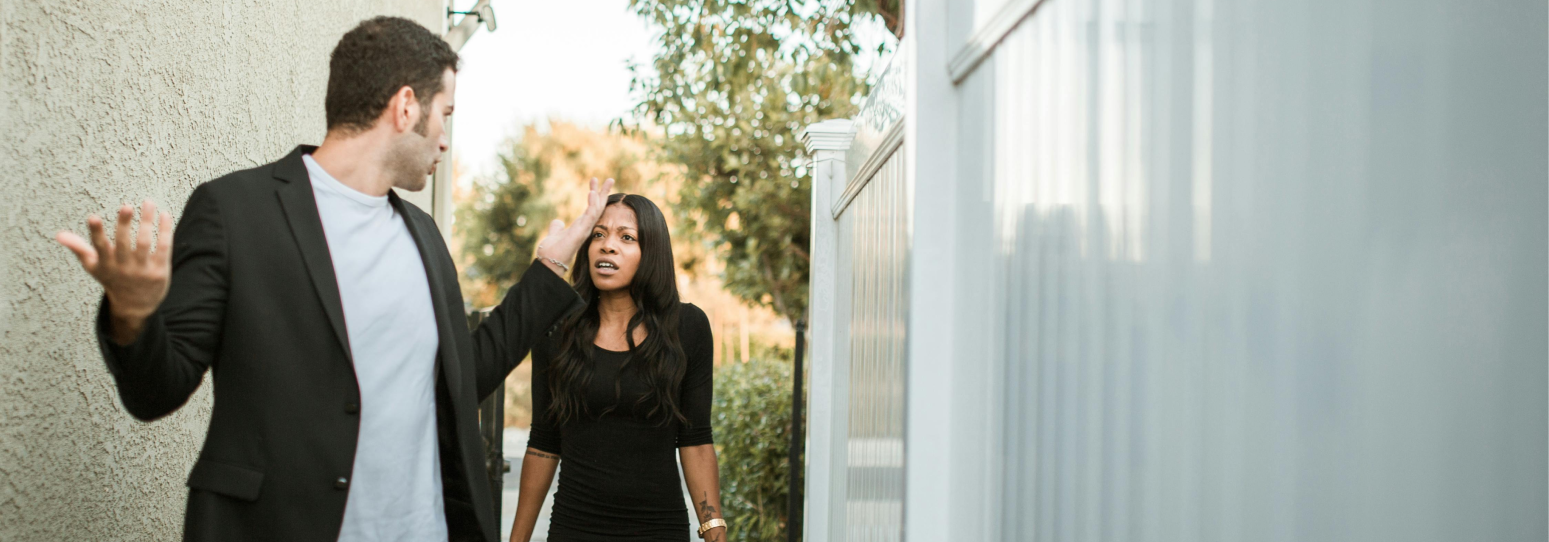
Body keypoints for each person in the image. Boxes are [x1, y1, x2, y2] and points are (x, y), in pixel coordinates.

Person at [53, 16, 614, 542]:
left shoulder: (424, 234)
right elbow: (156, 392)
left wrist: (549, 269)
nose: (445, 139)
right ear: (405, 106)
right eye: (446, 114)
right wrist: (133, 313)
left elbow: (462, 378)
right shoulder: (235, 212)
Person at [509, 194, 727, 542]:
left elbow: (696, 440)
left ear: (651, 251)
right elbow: (543, 441)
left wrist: (714, 531)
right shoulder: (557, 327)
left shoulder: (687, 327)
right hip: (574, 528)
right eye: (598, 234)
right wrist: (517, 539)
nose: (607, 246)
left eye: (626, 237)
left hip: (660, 530)